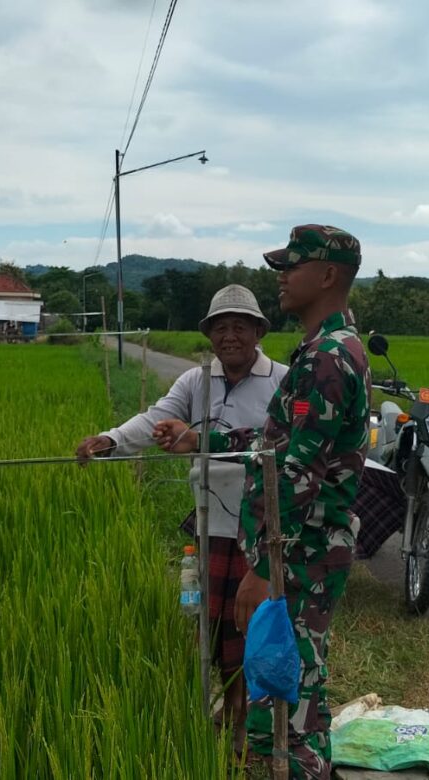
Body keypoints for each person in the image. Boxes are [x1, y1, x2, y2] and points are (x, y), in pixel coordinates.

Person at [154, 225, 371, 779]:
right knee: (292, 692)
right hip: (301, 553)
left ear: (326, 275)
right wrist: (202, 439)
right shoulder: (323, 349)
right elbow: (276, 447)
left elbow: (297, 473)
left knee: (282, 705)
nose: (280, 276)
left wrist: (261, 568)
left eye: (290, 266)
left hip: (300, 558)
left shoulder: (328, 357)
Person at [74, 284, 285, 752]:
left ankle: (245, 723)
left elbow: (284, 451)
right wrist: (110, 440)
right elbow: (157, 419)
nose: (229, 336)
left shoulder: (283, 383)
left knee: (250, 629)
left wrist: (201, 440)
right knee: (209, 626)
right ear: (209, 335)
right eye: (220, 328)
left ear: (257, 332)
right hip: (210, 522)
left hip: (261, 527)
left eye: (239, 327)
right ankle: (219, 714)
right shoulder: (196, 381)